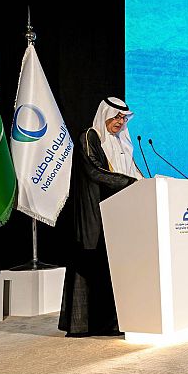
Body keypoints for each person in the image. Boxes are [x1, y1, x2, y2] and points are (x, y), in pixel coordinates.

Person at [59, 96, 145, 337]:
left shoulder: (122, 143)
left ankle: (113, 323)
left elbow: (133, 172)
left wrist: (146, 184)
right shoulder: (90, 136)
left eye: (124, 118)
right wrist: (130, 182)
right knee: (91, 265)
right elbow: (94, 170)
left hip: (119, 214)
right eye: (116, 117)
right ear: (105, 115)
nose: (120, 122)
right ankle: (82, 325)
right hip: (94, 213)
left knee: (113, 269)